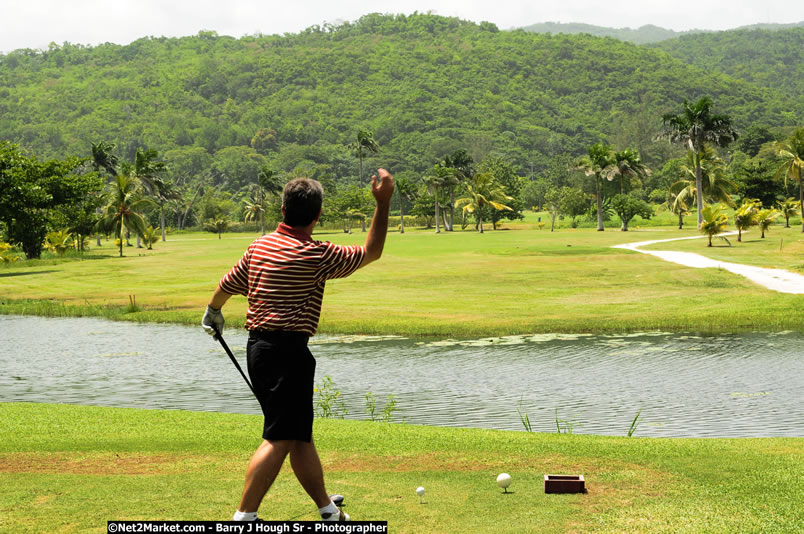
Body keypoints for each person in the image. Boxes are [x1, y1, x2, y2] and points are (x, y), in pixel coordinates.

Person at [202, 169, 394, 522]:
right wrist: (382, 204)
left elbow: (228, 284)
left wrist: (213, 311)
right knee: (279, 438)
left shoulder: (259, 246)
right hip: (287, 355)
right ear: (317, 215)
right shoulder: (318, 254)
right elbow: (372, 251)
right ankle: (244, 516)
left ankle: (327, 510)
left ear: (283, 209)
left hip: (260, 349)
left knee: (299, 435)